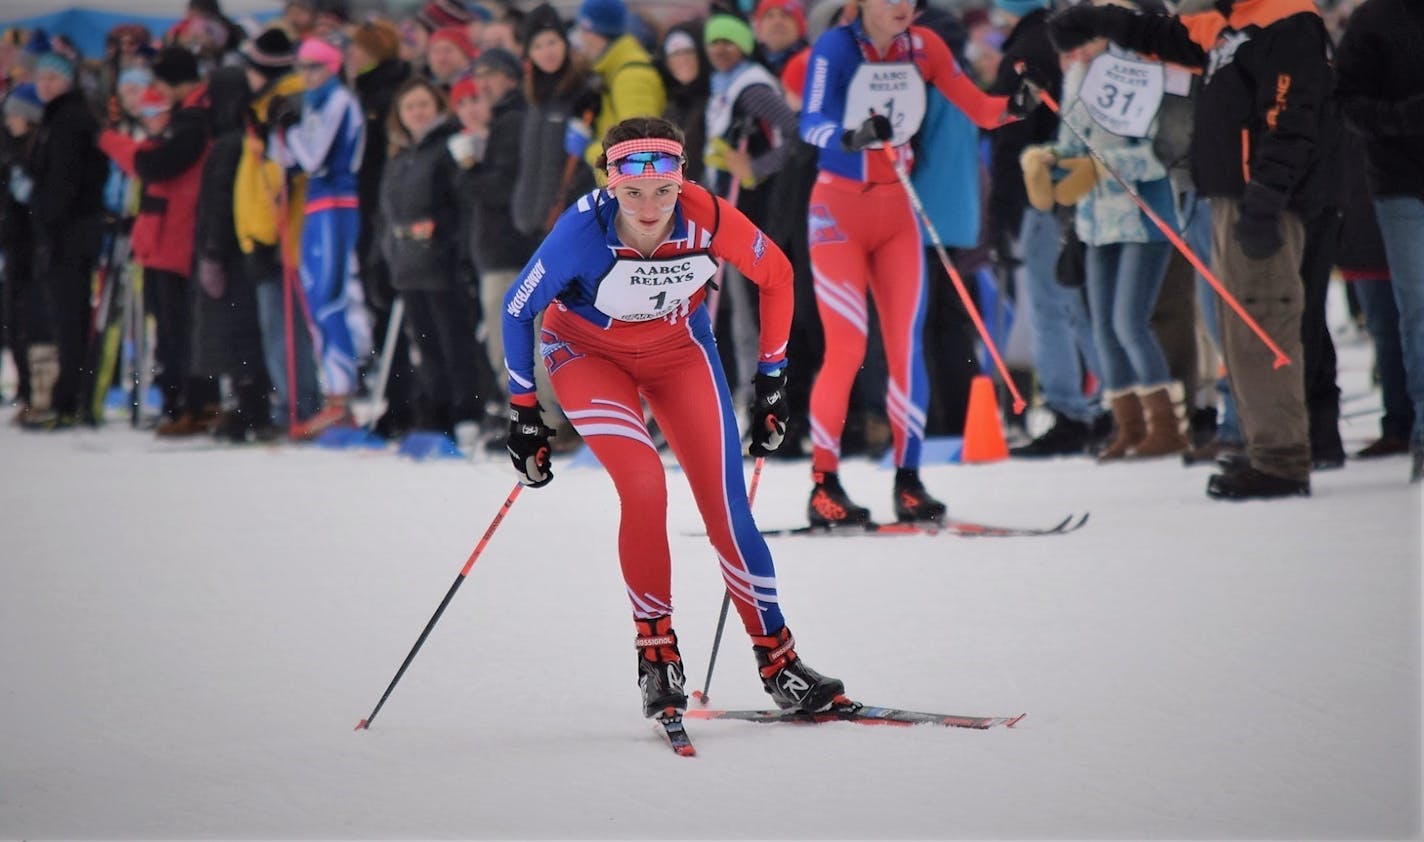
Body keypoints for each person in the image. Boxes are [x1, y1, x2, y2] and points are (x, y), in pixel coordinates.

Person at [501, 116, 846, 719]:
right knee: (643, 482)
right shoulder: (581, 231)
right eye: (632, 192)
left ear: (681, 178)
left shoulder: (706, 213)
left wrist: (772, 379)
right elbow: (517, 308)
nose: (650, 206)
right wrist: (525, 412)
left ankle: (779, 662)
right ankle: (657, 657)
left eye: (664, 190)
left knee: (728, 510)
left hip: (680, 351)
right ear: (611, 183)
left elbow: (779, 275)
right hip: (586, 354)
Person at [1047, 0, 1332, 499]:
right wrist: (1096, 20)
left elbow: (1291, 118)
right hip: (1225, 197)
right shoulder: (1226, 23)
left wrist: (1265, 200)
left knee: (1262, 326)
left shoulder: (1288, 20)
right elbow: (1161, 35)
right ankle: (1261, 445)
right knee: (1235, 334)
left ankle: (1282, 460)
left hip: (1261, 202)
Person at [797, 0, 1034, 526]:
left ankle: (909, 481)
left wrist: (1016, 104)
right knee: (848, 347)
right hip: (839, 211)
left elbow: (980, 108)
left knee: (907, 345)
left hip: (897, 211)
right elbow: (809, 121)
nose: (903, 6)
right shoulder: (837, 47)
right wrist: (848, 136)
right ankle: (823, 486)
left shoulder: (924, 46)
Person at [1029, 15, 1188, 461]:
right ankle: (1128, 426)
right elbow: (1071, 141)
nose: (1075, 51)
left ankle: (1167, 425)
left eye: (1084, 39)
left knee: (1128, 322)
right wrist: (1048, 160)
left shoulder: (1143, 71)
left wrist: (1103, 166)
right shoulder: (1078, 76)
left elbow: (1161, 153)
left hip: (1143, 218)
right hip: (1096, 221)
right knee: (1102, 328)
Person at [1334, 0, 1424, 482]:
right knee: (1415, 314)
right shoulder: (1375, 18)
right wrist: (1405, 118)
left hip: (1391, 184)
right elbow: (1346, 101)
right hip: (1399, 184)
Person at [269, 36, 369, 439]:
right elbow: (289, 160)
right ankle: (335, 395)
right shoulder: (314, 103)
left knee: (329, 299)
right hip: (315, 205)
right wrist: (277, 133)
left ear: (331, 68)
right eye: (302, 68)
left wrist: (289, 132)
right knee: (315, 301)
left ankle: (341, 397)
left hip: (336, 205)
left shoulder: (339, 100)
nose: (306, 76)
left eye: (314, 68)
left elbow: (312, 158)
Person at [380, 78, 485, 441]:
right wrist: (388, 257)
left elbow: (461, 205)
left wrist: (451, 248)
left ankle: (467, 410)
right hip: (408, 264)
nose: (417, 113)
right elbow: (387, 214)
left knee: (455, 341)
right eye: (410, 107)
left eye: (424, 105)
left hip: (442, 260)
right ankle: (435, 410)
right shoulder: (402, 156)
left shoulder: (446, 148)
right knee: (424, 344)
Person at [566, 0, 666, 177]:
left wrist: (589, 148)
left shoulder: (631, 76)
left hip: (631, 194)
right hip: (622, 191)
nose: (581, 39)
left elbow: (638, 151)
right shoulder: (612, 70)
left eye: (583, 31)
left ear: (595, 33)